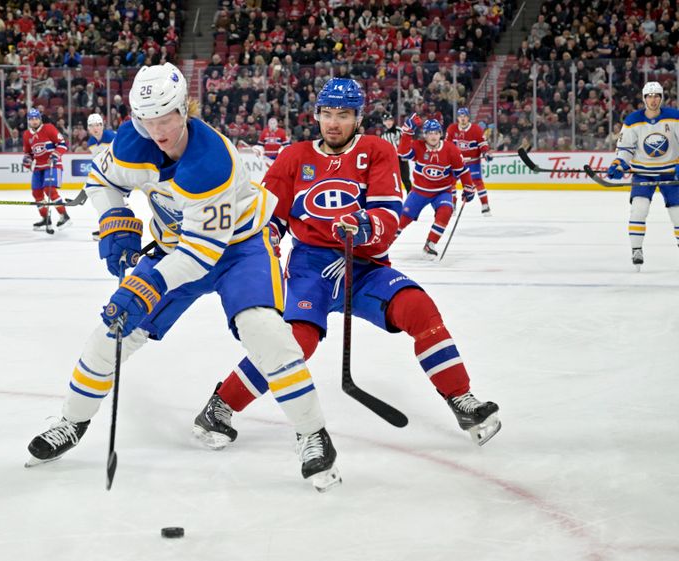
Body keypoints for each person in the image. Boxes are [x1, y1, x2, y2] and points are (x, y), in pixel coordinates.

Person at [25, 63, 341, 492]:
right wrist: (115, 217)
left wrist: (144, 287)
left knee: (264, 331)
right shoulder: (131, 142)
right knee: (112, 333)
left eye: (166, 118)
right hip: (177, 246)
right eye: (147, 120)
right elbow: (100, 178)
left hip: (239, 248)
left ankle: (313, 432)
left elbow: (200, 254)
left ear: (184, 110)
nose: (158, 130)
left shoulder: (212, 162)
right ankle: (71, 421)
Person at [192, 78, 501, 452]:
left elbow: (388, 218)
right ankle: (220, 405)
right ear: (317, 115)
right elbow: (267, 217)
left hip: (364, 262)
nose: (333, 123)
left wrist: (365, 225)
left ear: (358, 118)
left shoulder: (375, 150)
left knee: (419, 309)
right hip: (311, 266)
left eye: (344, 114)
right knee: (295, 343)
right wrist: (269, 239)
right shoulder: (294, 157)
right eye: (327, 114)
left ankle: (461, 399)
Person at [608, 81, 679, 269]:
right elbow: (625, 149)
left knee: (678, 214)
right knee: (639, 209)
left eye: (657, 96)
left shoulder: (674, 117)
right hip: (643, 173)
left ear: (661, 98)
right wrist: (619, 163)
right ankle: (636, 250)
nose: (653, 100)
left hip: (670, 172)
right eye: (649, 96)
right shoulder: (632, 120)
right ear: (644, 98)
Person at [396, 115, 476, 260]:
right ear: (424, 135)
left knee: (446, 211)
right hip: (419, 192)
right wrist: (407, 133)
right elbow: (402, 153)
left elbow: (462, 171)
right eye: (430, 133)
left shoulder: (451, 149)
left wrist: (468, 187)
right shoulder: (418, 146)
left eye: (436, 133)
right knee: (402, 219)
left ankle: (430, 244)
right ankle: (382, 245)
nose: (433, 136)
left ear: (440, 134)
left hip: (442, 191)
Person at [22, 108, 70, 231]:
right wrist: (27, 159)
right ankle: (45, 219)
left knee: (50, 190)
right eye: (32, 119)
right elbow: (29, 152)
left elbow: (62, 145)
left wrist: (55, 154)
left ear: (40, 119)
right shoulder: (27, 134)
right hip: (39, 167)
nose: (34, 121)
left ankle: (64, 216)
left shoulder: (49, 128)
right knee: (36, 193)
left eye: (36, 118)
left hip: (53, 165)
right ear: (28, 121)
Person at [446, 107, 493, 215]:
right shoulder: (452, 129)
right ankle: (452, 205)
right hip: (456, 163)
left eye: (465, 116)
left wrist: (485, 153)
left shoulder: (476, 129)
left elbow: (482, 144)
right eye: (460, 116)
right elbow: (447, 145)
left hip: (473, 162)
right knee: (450, 183)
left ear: (468, 118)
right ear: (457, 118)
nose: (462, 119)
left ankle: (485, 205)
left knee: (477, 182)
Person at [86, 113, 117, 241]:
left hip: (117, 176)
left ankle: (120, 227)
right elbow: (98, 162)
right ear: (88, 128)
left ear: (102, 126)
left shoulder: (111, 137)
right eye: (92, 126)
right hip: (106, 178)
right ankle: (107, 227)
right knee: (101, 201)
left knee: (116, 203)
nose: (95, 128)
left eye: (98, 125)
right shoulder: (91, 142)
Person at [379, 112, 412, 192]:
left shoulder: (399, 130)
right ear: (383, 122)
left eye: (390, 120)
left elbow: (406, 141)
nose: (388, 122)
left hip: (402, 159)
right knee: (391, 180)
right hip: (390, 160)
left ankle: (410, 197)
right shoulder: (383, 135)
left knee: (405, 179)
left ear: (393, 121)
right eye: (386, 121)